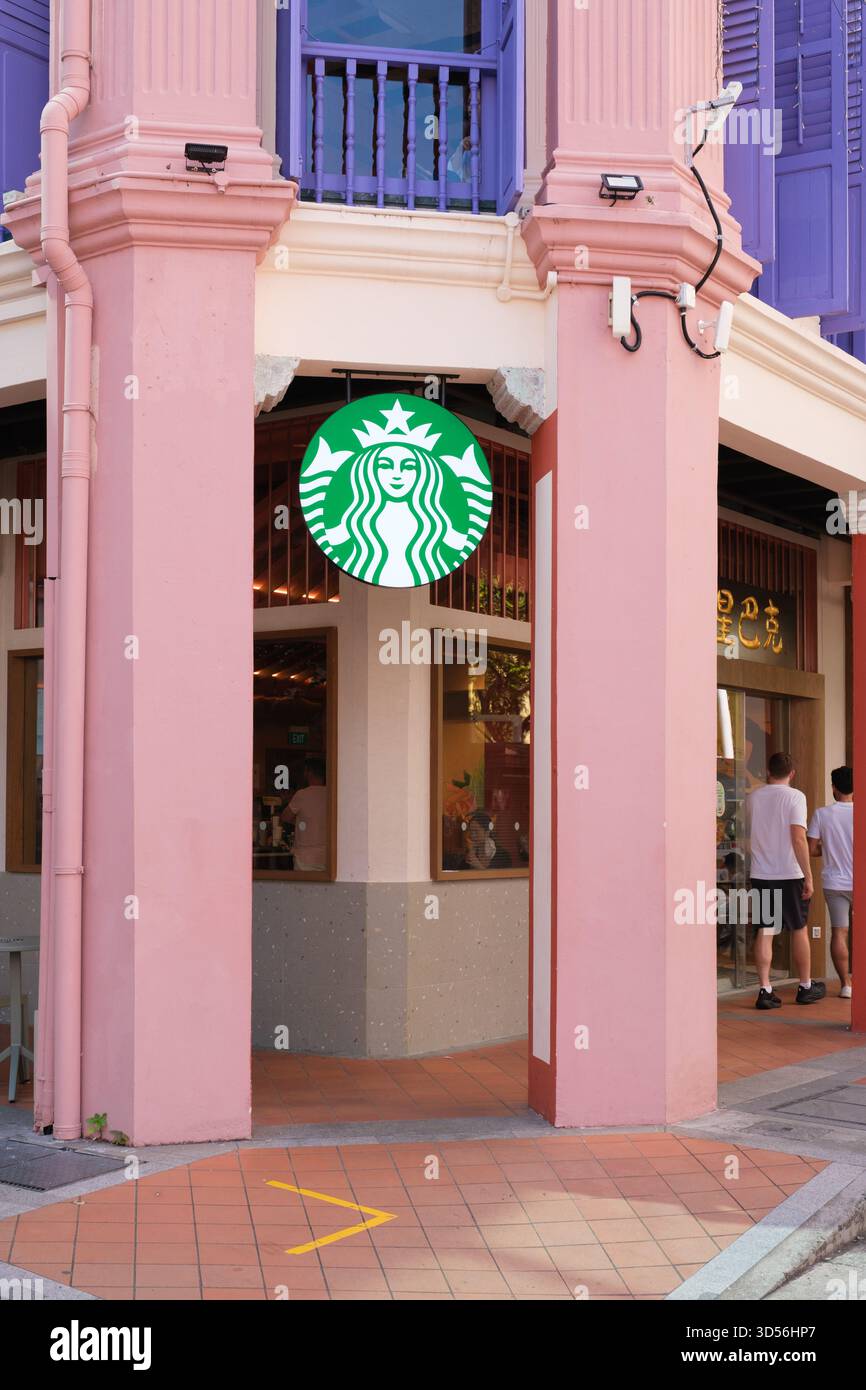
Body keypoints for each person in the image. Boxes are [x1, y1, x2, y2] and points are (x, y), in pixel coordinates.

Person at [747, 751, 825, 1010]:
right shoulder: (795, 797)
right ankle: (804, 986)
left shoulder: (754, 797)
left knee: (765, 930)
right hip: (790, 873)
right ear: (792, 774)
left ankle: (765, 989)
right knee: (799, 928)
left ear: (768, 772)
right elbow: (798, 838)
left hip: (761, 873)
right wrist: (809, 877)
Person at [808, 766, 853, 999]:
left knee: (839, 932)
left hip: (835, 883)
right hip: (860, 882)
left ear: (834, 787)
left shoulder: (822, 814)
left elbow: (811, 849)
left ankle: (846, 985)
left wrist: (829, 848)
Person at [281, 757, 327, 872]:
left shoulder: (302, 795)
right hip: (327, 857)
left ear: (308, 772)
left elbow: (285, 817)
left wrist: (301, 822)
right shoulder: (331, 794)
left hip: (304, 859)